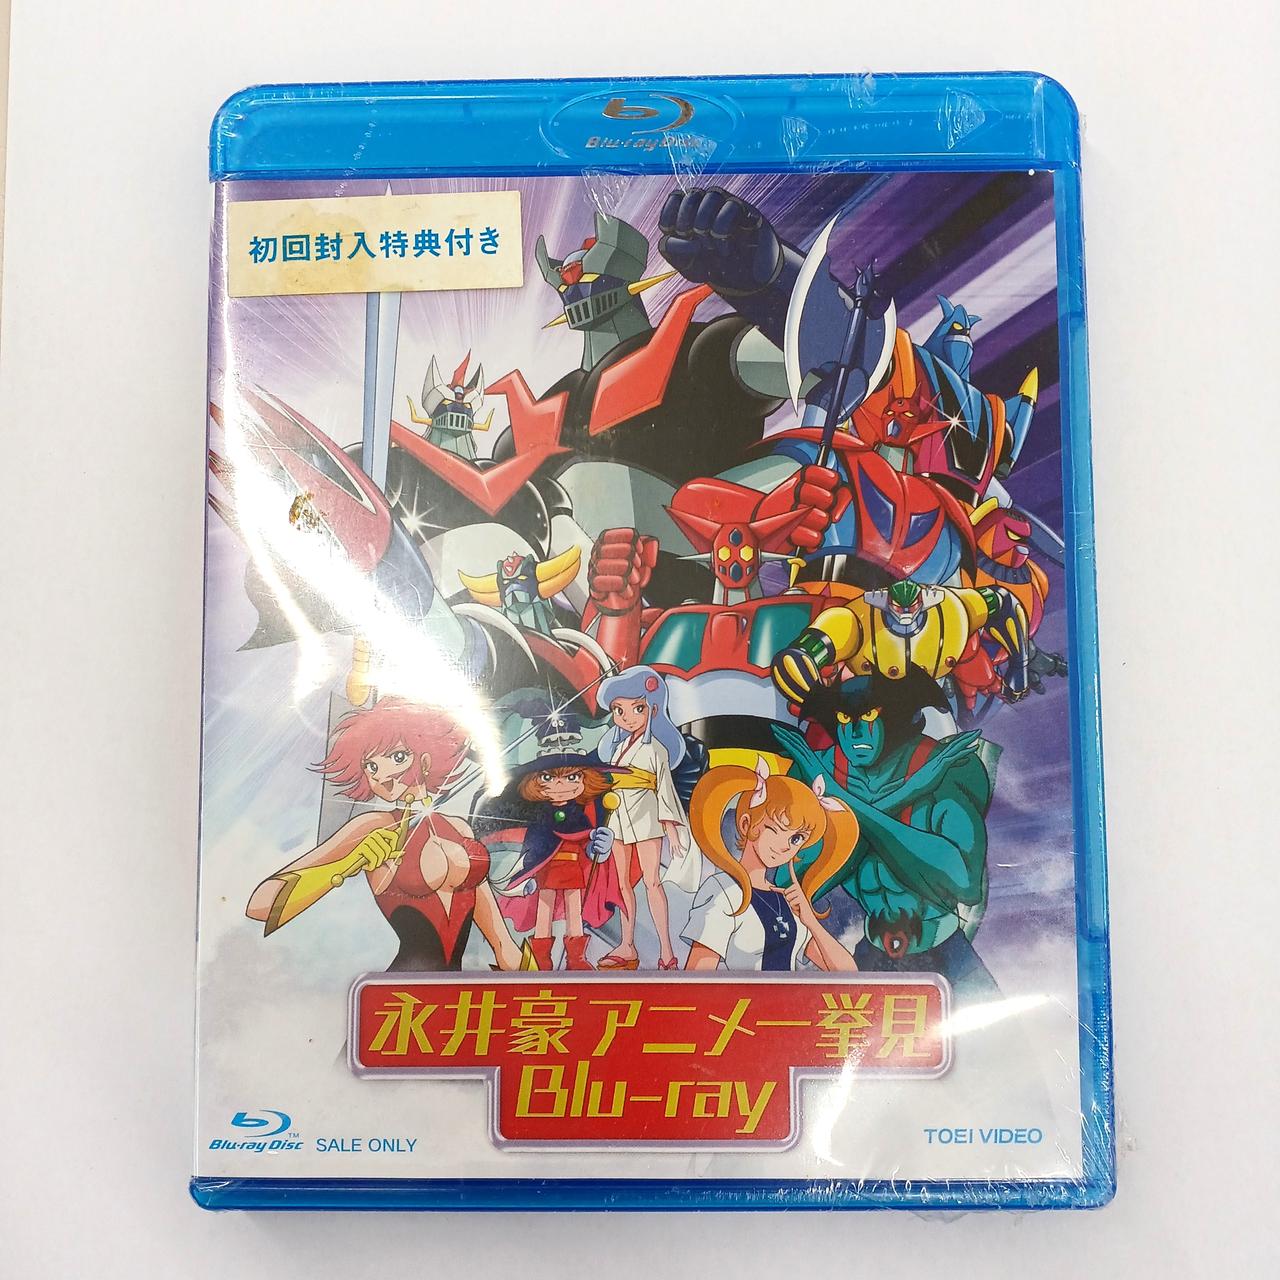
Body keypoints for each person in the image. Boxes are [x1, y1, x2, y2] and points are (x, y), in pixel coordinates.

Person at [245, 697, 522, 972]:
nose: (380, 775)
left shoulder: (458, 827)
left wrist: (517, 962)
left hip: (453, 987)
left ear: (426, 759)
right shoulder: (373, 825)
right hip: (400, 985)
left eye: (397, 757)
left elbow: (496, 932)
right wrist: (347, 863)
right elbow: (260, 906)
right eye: (371, 766)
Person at [772, 667, 999, 1000]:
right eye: (845, 719)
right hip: (870, 957)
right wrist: (906, 793)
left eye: (868, 715)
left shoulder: (945, 765)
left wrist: (843, 802)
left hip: (947, 958)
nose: (855, 732)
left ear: (895, 714)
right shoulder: (822, 772)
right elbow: (787, 881)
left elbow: (963, 882)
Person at [682, 758, 861, 972]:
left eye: (796, 839)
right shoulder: (723, 892)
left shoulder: (787, 900)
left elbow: (848, 972)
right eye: (776, 829)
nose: (785, 846)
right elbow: (697, 976)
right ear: (746, 824)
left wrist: (811, 922)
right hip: (741, 994)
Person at [593, 665, 693, 970]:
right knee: (622, 883)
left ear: (652, 709)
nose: (627, 717)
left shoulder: (656, 749)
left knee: (651, 882)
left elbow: (665, 789)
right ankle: (627, 945)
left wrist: (671, 828)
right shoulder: (618, 748)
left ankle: (667, 951)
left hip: (647, 817)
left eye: (636, 708)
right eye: (618, 710)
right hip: (618, 817)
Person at [497, 755, 623, 970]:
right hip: (546, 868)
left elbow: (585, 837)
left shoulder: (578, 812)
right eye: (548, 778)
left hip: (572, 865)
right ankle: (541, 959)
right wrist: (527, 873)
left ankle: (576, 958)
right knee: (544, 910)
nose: (560, 785)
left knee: (575, 910)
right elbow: (535, 845)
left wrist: (596, 846)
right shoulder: (540, 814)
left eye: (572, 777)